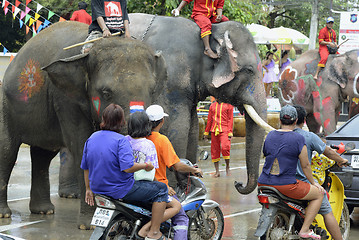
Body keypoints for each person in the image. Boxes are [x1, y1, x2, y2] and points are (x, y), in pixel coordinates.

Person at [81, 104, 170, 240]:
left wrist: (88, 188)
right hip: (120, 189)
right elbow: (128, 168)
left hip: (97, 188)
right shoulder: (121, 141)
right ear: (122, 122)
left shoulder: (92, 137)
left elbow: (85, 166)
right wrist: (145, 165)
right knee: (161, 189)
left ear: (104, 119)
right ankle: (154, 231)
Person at [258, 105, 324, 240]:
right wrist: (314, 183)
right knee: (319, 194)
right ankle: (305, 230)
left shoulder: (270, 135)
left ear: (280, 120)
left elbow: (266, 154)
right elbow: (305, 165)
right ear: (296, 121)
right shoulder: (298, 139)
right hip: (286, 185)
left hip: (263, 183)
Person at [145, 104, 203, 240]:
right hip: (159, 187)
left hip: (139, 186)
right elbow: (177, 166)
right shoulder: (161, 140)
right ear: (162, 121)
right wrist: (193, 170)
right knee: (181, 218)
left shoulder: (138, 138)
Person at [293, 105, 348, 240]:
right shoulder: (308, 137)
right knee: (325, 205)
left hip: (278, 180)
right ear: (304, 120)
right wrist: (341, 160)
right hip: (300, 183)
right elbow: (328, 153)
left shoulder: (276, 135)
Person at [126, 111, 182, 239]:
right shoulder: (149, 144)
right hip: (142, 185)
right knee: (176, 206)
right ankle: (151, 229)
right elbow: (151, 173)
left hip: (125, 183)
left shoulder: (124, 140)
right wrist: (164, 187)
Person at [203, 98, 233, 177]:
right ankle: (217, 171)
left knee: (225, 147)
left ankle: (227, 166)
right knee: (214, 150)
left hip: (225, 130)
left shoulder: (228, 105)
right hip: (214, 130)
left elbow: (230, 119)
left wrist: (230, 132)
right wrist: (206, 132)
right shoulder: (212, 105)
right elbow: (209, 119)